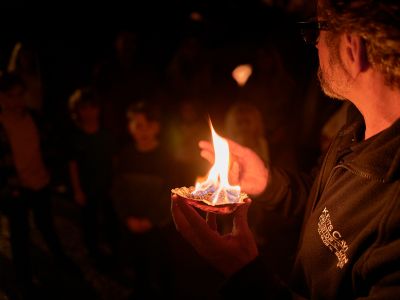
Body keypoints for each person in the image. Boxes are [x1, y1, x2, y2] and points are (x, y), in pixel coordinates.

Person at [171, 0, 400, 298]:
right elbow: (329, 204)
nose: (315, 44)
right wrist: (269, 182)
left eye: (317, 30)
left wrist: (245, 273)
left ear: (351, 47)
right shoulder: (355, 126)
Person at [0, 72, 69, 296]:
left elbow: (47, 144)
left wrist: (50, 169)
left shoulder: (34, 117)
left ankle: (60, 259)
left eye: (20, 95)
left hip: (40, 182)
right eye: (11, 96)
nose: (17, 101)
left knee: (46, 224)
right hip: (16, 190)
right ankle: (24, 278)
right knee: (20, 234)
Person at [112, 101, 175, 298]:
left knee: (162, 262)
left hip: (158, 225)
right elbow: (118, 189)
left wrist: (152, 219)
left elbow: (171, 192)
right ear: (130, 127)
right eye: (138, 125)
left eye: (149, 124)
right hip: (132, 221)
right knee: (138, 261)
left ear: (157, 127)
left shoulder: (166, 157)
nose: (144, 130)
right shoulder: (126, 156)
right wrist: (127, 217)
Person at [67, 87, 119, 268]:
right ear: (77, 111)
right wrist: (77, 190)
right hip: (87, 187)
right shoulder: (75, 137)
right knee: (89, 222)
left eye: (92, 107)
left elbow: (114, 161)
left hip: (106, 185)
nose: (89, 112)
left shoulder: (106, 134)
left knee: (111, 220)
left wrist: (116, 184)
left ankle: (116, 250)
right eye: (84, 108)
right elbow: (72, 164)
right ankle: (94, 253)